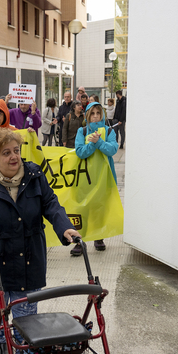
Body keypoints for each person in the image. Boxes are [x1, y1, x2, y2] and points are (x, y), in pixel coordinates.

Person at [0, 128, 80, 354]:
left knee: (26, 315)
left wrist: (65, 227)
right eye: (6, 153)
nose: (13, 157)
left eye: (16, 151)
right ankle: (1, 345)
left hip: (28, 257)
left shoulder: (34, 175)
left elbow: (51, 203)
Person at [71, 102, 118, 256]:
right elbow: (79, 152)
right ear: (88, 115)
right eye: (93, 113)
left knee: (100, 208)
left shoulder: (109, 130)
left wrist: (99, 142)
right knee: (83, 209)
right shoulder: (82, 131)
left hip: (104, 178)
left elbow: (112, 150)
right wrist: (92, 144)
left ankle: (99, 237)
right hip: (85, 178)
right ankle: (79, 240)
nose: (96, 116)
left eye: (98, 113)